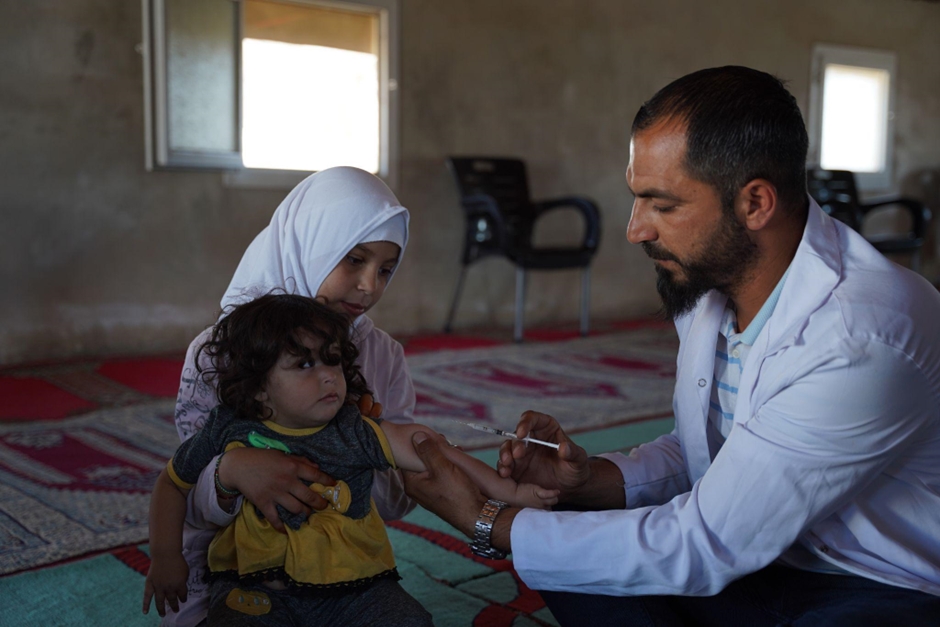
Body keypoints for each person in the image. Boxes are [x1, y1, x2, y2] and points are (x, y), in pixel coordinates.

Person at [402, 66, 940, 626]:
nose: (636, 229)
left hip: (877, 581)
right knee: (582, 568)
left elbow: (707, 542)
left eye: (662, 205)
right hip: (765, 562)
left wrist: (488, 520)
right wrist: (589, 484)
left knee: (565, 550)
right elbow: (710, 450)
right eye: (637, 200)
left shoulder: (861, 333)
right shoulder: (712, 289)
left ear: (755, 203)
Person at [143, 293, 557, 623]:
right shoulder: (226, 429)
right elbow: (172, 483)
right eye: (304, 363)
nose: (327, 375)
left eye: (333, 359)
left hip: (355, 589)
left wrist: (508, 489)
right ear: (258, 387)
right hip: (255, 587)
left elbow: (429, 446)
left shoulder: (354, 429)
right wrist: (165, 557)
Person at [165, 166, 422, 626]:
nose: (370, 286)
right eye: (353, 260)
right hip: (237, 569)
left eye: (385, 269)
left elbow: (394, 503)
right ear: (308, 244)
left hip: (343, 571)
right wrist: (232, 472)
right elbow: (183, 493)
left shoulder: (381, 356)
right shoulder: (219, 352)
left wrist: (370, 446)